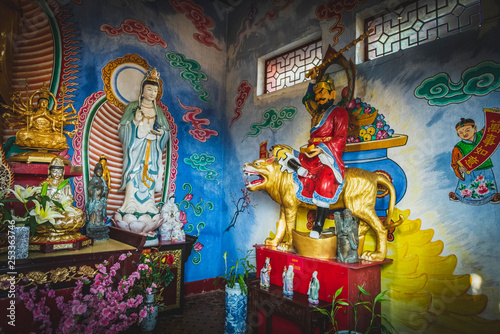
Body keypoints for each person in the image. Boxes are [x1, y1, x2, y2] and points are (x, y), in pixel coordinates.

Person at [280, 73, 348, 238]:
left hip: (326, 156)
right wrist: (312, 79)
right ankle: (300, 172)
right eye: (317, 93)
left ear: (332, 94)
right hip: (310, 155)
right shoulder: (315, 115)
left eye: (323, 92)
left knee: (326, 178)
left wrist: (321, 149)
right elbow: (307, 99)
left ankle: (318, 225)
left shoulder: (339, 112)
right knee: (286, 156)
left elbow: (340, 138)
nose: (318, 97)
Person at [118, 68, 170, 214]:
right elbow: (123, 128)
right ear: (142, 90)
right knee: (134, 172)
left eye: (155, 90)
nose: (152, 93)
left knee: (151, 173)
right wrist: (135, 121)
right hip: (136, 148)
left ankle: (149, 205)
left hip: (153, 148)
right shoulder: (133, 107)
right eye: (149, 89)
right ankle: (130, 204)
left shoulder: (158, 111)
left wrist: (160, 133)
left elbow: (166, 132)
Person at [450, 118, 500, 205]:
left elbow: (491, 128)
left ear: (475, 128)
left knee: (488, 184)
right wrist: (459, 168)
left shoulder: (483, 136)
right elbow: (454, 163)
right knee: (468, 188)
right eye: (461, 133)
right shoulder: (458, 147)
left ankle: (492, 196)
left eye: (467, 130)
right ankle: (459, 196)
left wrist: (495, 115)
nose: (464, 134)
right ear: (458, 135)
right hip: (470, 172)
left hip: (485, 169)